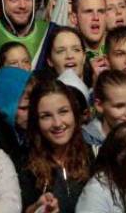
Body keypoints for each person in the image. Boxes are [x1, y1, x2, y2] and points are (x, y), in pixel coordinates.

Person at [19, 79, 93, 213]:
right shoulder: (24, 164)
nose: (57, 123)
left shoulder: (93, 155)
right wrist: (37, 208)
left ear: (74, 113)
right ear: (36, 121)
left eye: (63, 111)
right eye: (46, 116)